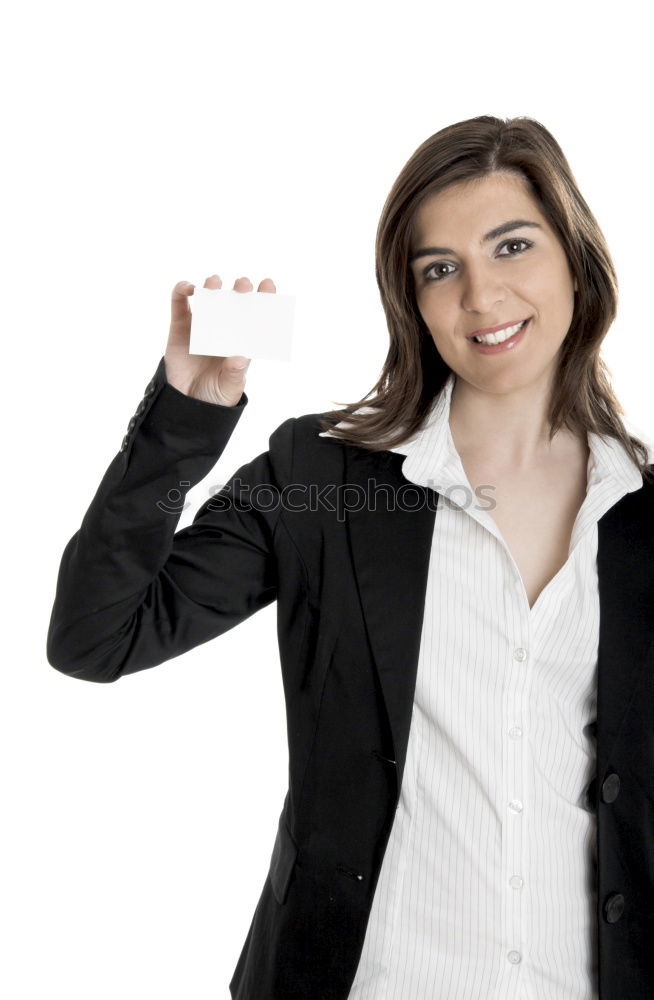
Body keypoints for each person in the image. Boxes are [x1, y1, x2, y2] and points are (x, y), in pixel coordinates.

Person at [46, 115, 654, 1000]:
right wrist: (186, 415)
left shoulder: (641, 513)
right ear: (411, 301)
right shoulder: (322, 481)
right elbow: (98, 638)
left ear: (576, 259)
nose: (481, 298)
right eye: (439, 269)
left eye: (511, 246)